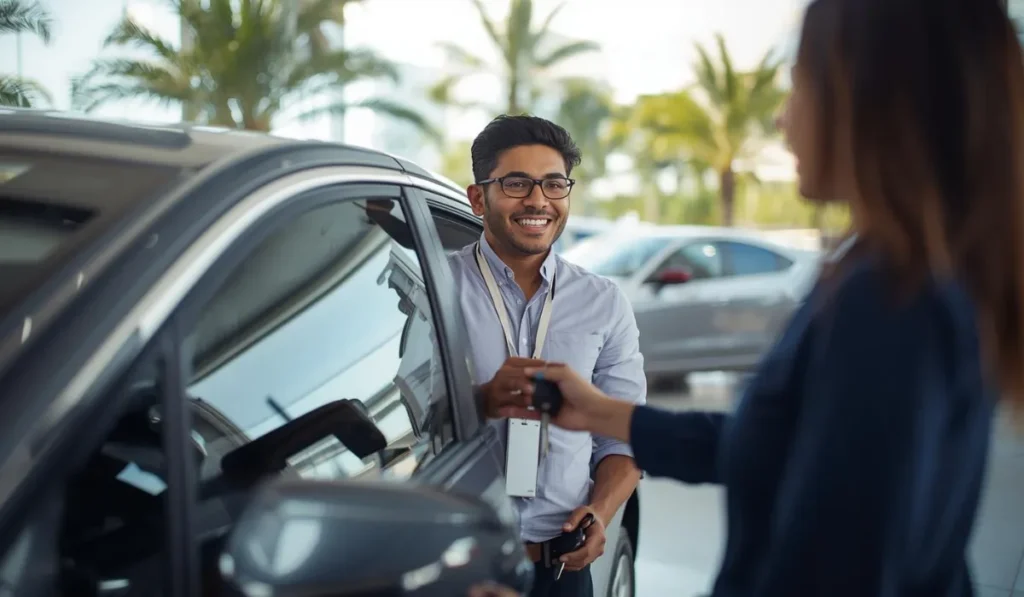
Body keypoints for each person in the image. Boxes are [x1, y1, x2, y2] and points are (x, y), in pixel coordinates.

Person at [493, 0, 1024, 595]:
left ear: (869, 104)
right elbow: (785, 452)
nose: (782, 120)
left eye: (799, 87)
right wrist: (600, 413)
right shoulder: (911, 276)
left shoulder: (891, 301)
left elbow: (841, 566)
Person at [448, 115, 645, 597]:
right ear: (479, 198)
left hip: (561, 569)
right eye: (517, 184)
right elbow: (400, 416)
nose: (538, 200)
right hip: (457, 568)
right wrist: (481, 401)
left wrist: (600, 511)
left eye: (554, 184)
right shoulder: (434, 287)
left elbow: (624, 434)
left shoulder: (603, 301)